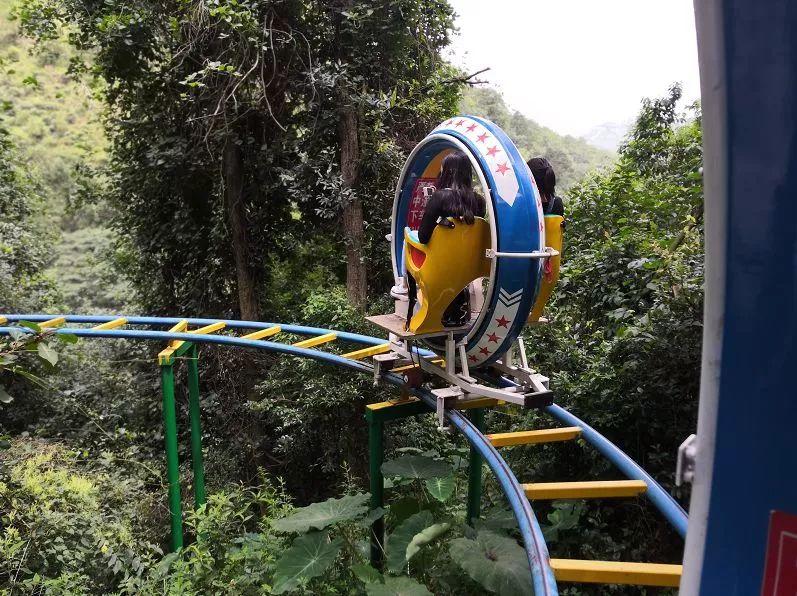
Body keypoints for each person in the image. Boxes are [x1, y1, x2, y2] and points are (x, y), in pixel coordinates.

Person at [408, 150, 486, 327]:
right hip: (467, 268)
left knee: (409, 240)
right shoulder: (479, 202)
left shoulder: (439, 197)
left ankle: (414, 305)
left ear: (447, 172)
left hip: (440, 267)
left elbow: (423, 237)